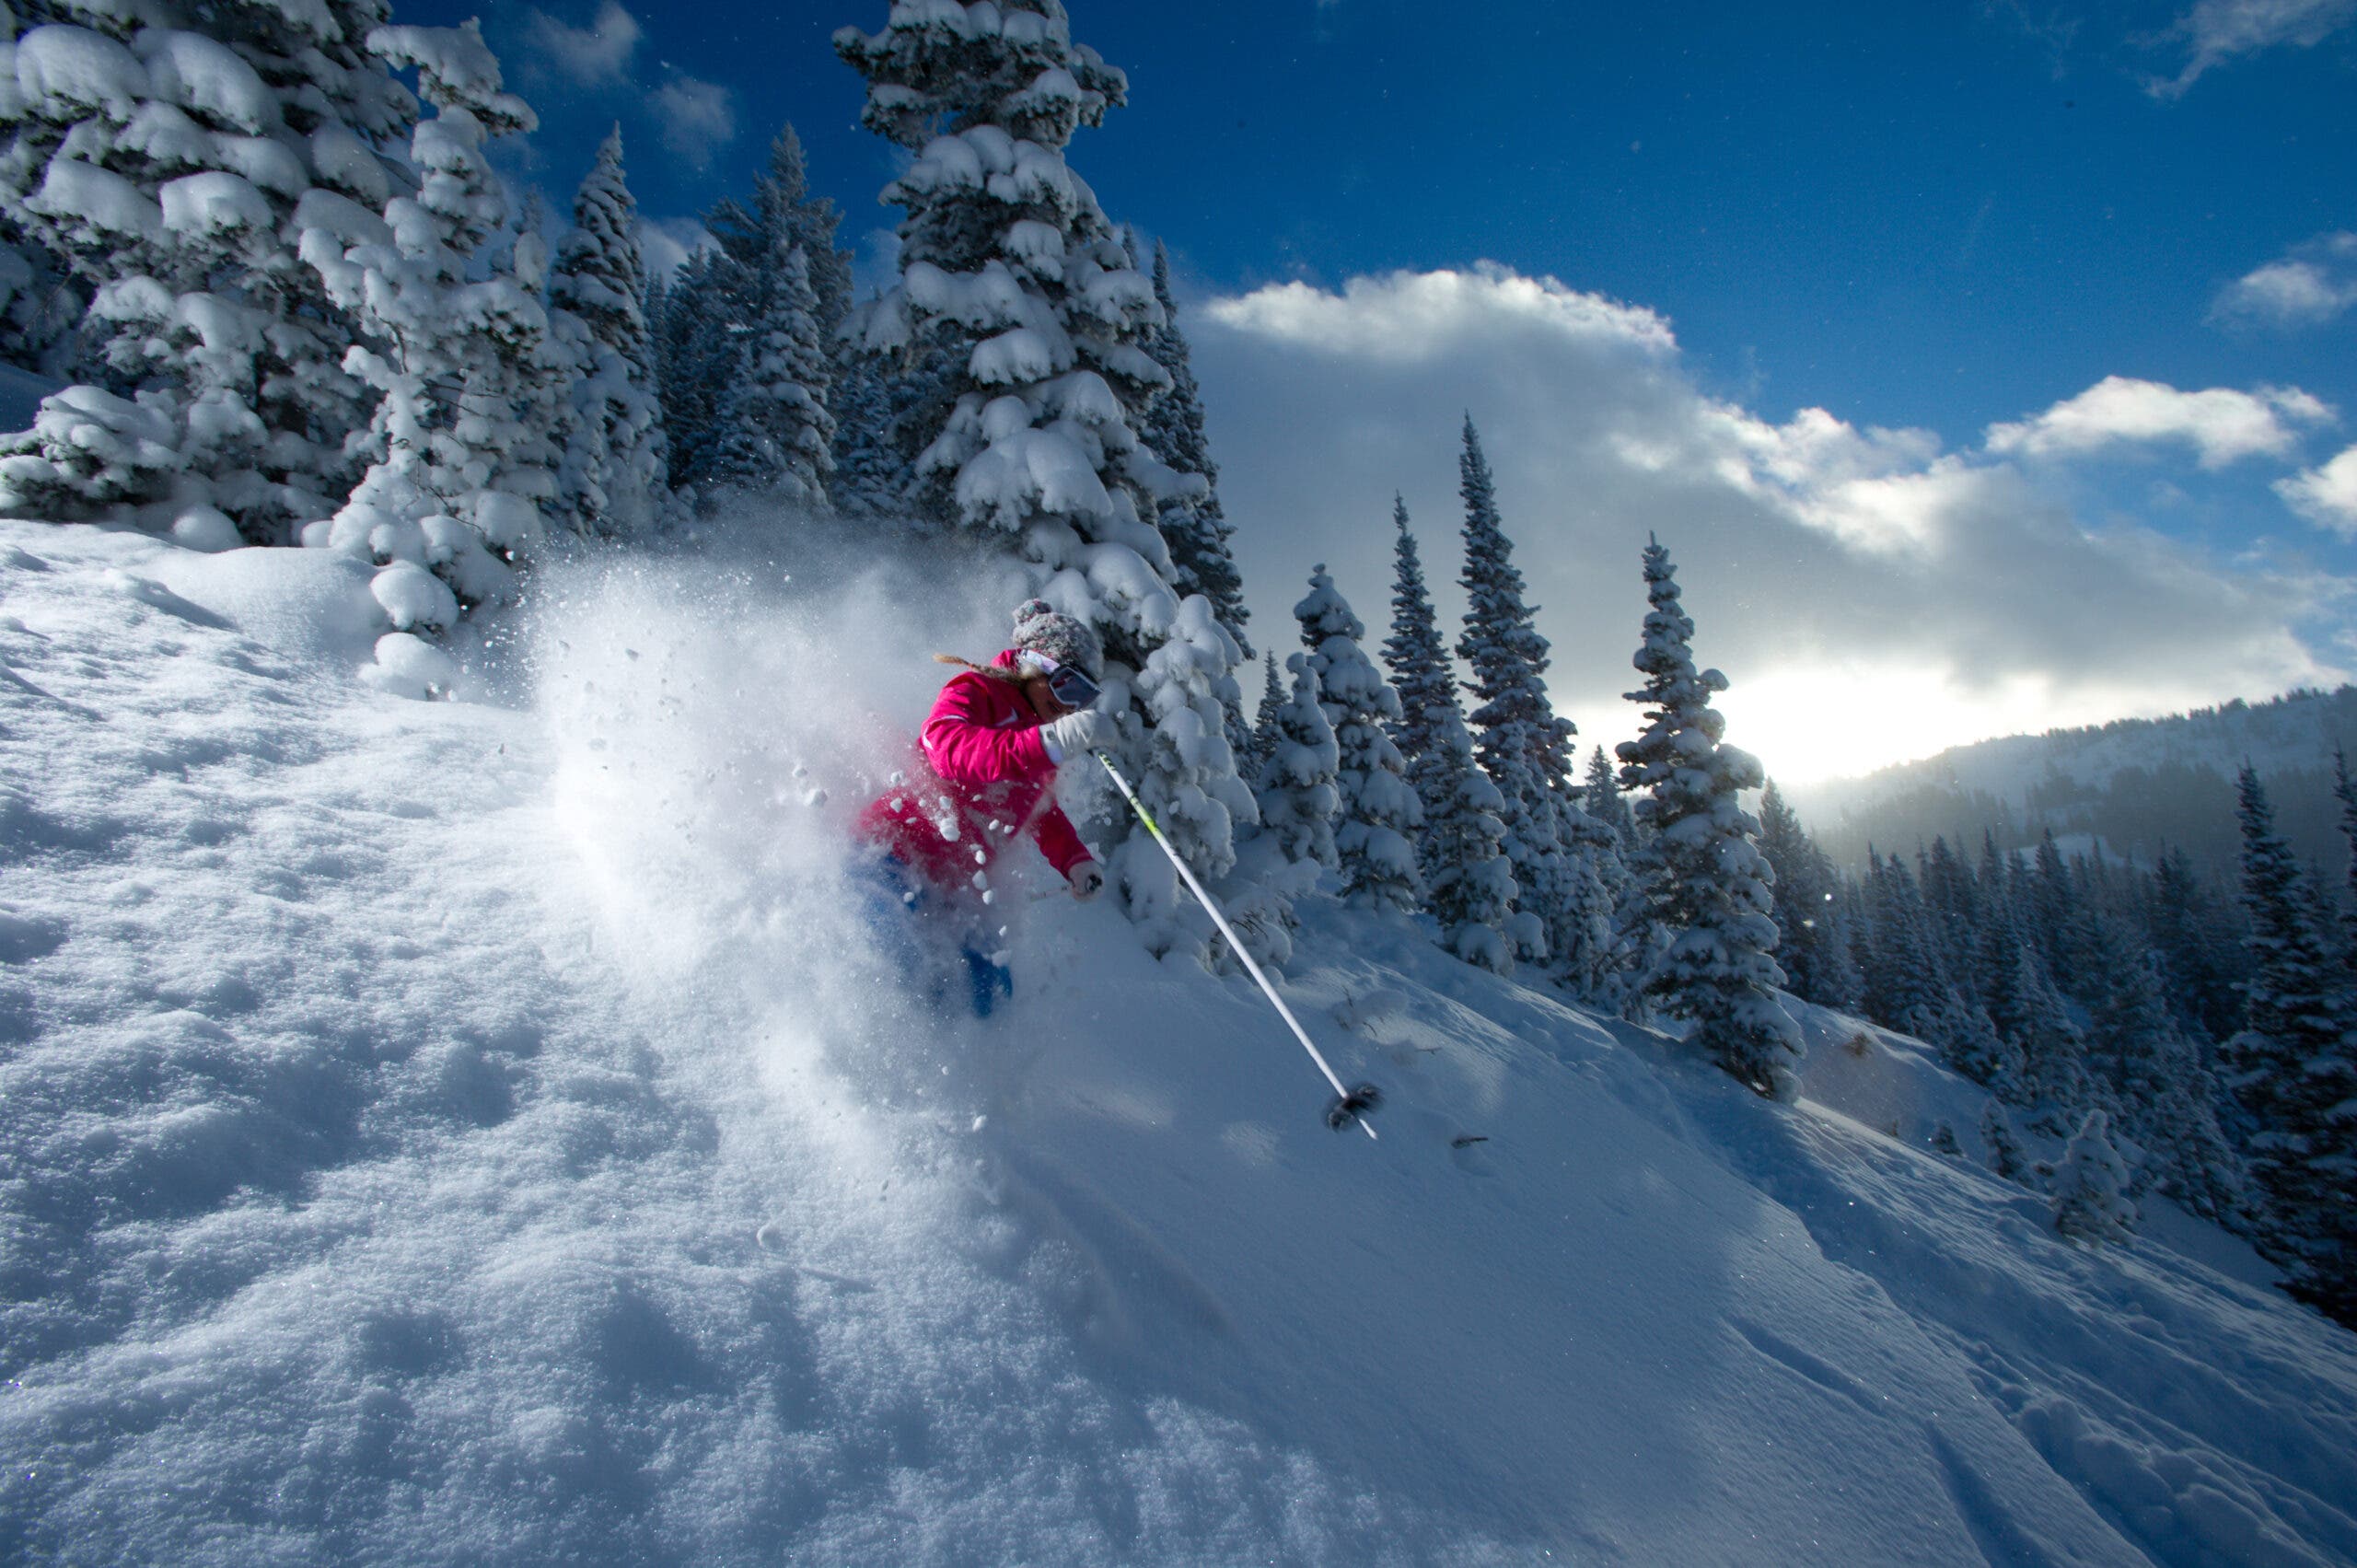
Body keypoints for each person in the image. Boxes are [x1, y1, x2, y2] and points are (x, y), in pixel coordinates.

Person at [855, 599, 1116, 1016]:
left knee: (989, 991)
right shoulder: (975, 692)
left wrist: (1075, 861)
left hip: (950, 887)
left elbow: (1040, 811)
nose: (1071, 705)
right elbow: (947, 749)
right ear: (1034, 664)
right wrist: (1046, 743)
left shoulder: (1038, 737)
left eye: (1084, 697)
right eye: (1068, 687)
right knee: (890, 960)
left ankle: (972, 1072)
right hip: (888, 854)